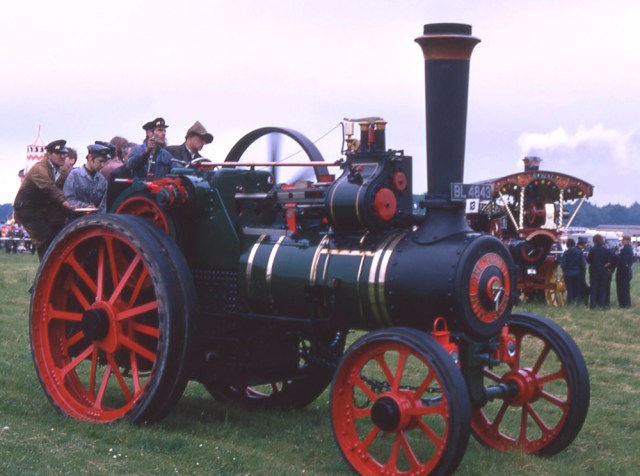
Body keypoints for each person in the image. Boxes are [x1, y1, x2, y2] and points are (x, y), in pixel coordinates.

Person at [13, 139, 75, 259]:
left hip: (43, 208)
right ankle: (46, 270)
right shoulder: (39, 169)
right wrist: (66, 203)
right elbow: (49, 187)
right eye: (58, 153)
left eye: (64, 153)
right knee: (44, 238)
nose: (62, 156)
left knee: (56, 234)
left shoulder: (62, 170)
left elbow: (68, 184)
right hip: (27, 209)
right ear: (48, 155)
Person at [63, 144, 111, 213]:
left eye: (104, 162)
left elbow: (103, 206)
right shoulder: (74, 175)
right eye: (100, 161)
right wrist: (84, 207)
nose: (102, 165)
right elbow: (68, 199)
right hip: (76, 219)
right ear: (90, 158)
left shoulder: (102, 180)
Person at [587, 233, 611, 310]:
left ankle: (593, 305)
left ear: (594, 241)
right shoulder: (605, 250)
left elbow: (588, 260)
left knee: (593, 287)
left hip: (594, 270)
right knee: (602, 288)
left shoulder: (592, 250)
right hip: (603, 271)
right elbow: (608, 260)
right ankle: (602, 305)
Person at [561, 238, 585, 305]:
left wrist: (564, 270)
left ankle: (570, 302)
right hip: (577, 273)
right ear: (574, 244)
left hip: (568, 273)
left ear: (567, 245)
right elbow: (582, 264)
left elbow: (563, 264)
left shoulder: (566, 253)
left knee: (569, 289)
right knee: (577, 288)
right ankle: (577, 302)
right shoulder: (579, 252)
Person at [616, 235, 634, 308]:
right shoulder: (628, 249)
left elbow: (622, 261)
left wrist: (617, 256)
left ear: (628, 241)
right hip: (626, 271)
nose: (623, 241)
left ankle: (624, 304)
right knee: (625, 288)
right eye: (623, 239)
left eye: (624, 240)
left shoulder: (626, 249)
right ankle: (626, 303)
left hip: (623, 272)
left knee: (622, 288)